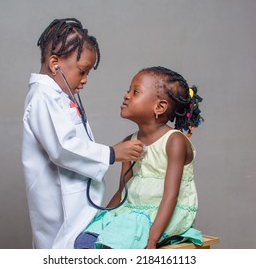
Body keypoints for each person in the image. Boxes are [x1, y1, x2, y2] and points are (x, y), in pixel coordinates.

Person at [22, 18, 143, 249]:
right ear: (55, 63)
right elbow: (62, 147)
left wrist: (111, 152)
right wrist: (111, 153)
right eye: (82, 71)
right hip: (60, 208)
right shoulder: (42, 97)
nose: (85, 80)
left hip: (78, 207)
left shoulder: (58, 97)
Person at [74, 66, 204, 249]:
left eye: (135, 92)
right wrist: (101, 219)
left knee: (112, 245)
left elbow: (171, 195)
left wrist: (151, 241)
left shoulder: (174, 141)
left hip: (163, 214)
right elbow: (122, 191)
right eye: (128, 91)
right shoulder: (129, 142)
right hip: (132, 212)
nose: (126, 95)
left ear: (159, 107)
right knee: (84, 241)